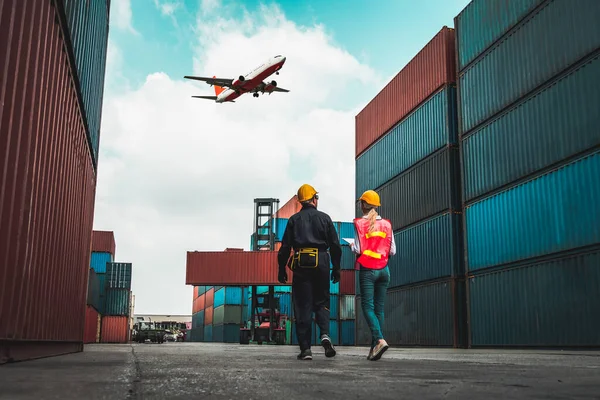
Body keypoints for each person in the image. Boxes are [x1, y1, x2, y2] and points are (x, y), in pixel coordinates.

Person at [277, 184, 342, 360]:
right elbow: (336, 246)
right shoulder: (325, 218)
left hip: (301, 263)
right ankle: (325, 335)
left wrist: (281, 268)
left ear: (300, 201)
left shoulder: (293, 220)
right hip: (321, 261)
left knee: (302, 305)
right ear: (314, 199)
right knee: (321, 301)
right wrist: (336, 268)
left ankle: (305, 349)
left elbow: (285, 248)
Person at [351, 189, 396, 361]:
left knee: (367, 307)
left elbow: (358, 248)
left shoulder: (359, 224)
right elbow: (393, 250)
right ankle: (374, 349)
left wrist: (350, 247)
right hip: (384, 270)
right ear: (377, 205)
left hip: (368, 270)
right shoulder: (387, 224)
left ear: (362, 204)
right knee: (379, 309)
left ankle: (379, 339)